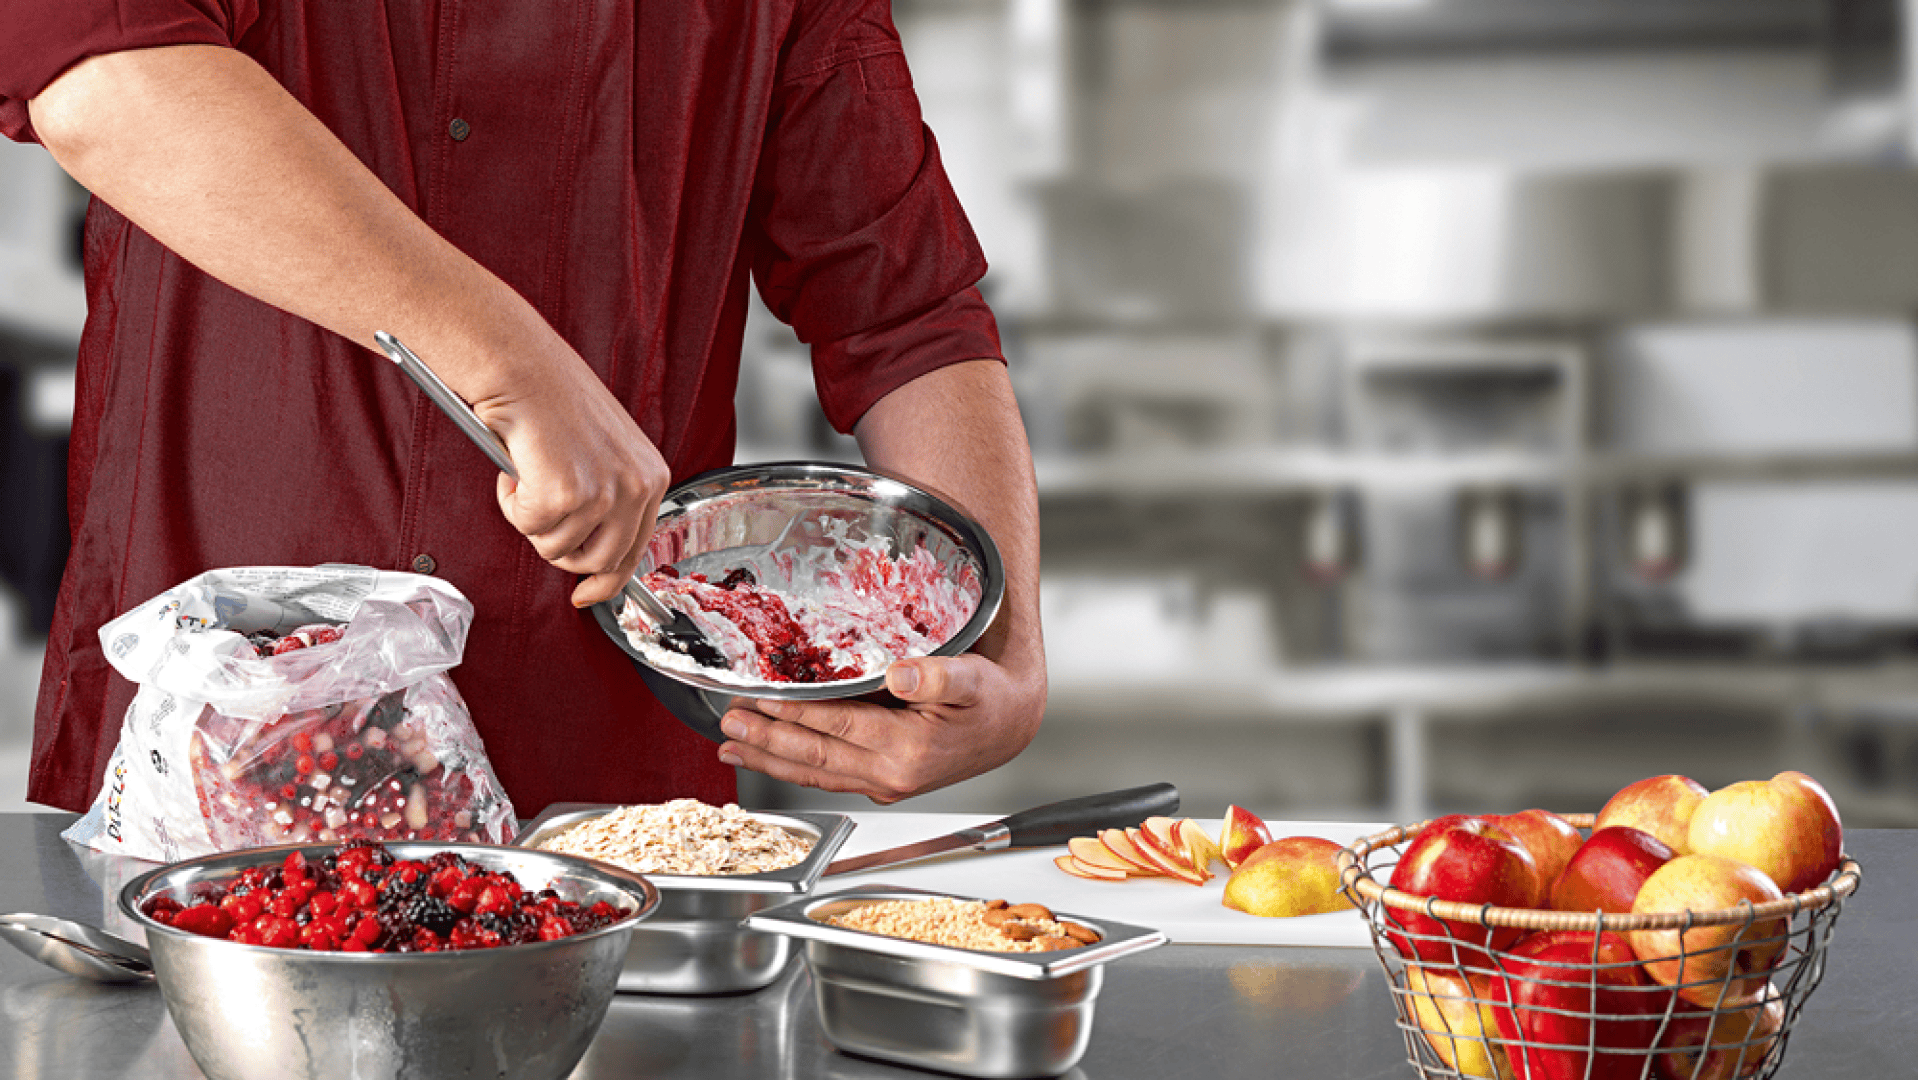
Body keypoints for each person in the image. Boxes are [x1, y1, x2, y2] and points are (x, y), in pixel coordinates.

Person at [0, 1, 1045, 815]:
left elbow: (906, 313)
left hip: (599, 792)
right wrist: (513, 364)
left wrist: (1001, 656)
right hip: (212, 742)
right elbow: (101, 78)